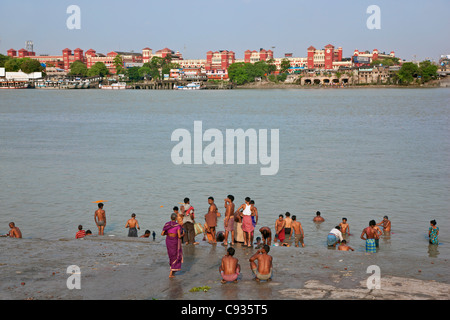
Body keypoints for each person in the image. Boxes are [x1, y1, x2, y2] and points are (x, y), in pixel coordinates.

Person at [161, 213, 184, 278]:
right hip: (174, 241)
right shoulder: (178, 226)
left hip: (168, 240)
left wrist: (168, 233)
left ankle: (172, 270)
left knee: (171, 255)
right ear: (176, 218)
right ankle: (171, 272)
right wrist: (183, 235)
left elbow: (162, 234)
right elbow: (179, 236)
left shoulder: (167, 224)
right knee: (175, 255)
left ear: (170, 218)